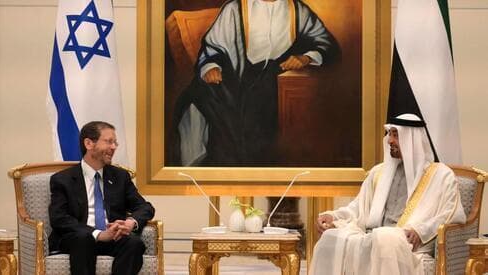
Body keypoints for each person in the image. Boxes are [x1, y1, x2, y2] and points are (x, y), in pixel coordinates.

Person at [172, 0, 338, 166]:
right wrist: (211, 66)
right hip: (234, 75)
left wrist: (306, 57)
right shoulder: (234, 9)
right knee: (200, 95)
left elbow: (325, 42)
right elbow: (213, 48)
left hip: (273, 77)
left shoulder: (296, 9)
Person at [309, 113, 466, 275]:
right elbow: (358, 207)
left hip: (407, 245)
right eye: (389, 134)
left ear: (412, 140)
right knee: (330, 239)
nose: (390, 140)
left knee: (384, 238)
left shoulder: (440, 175)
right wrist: (333, 216)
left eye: (396, 135)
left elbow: (451, 214)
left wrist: (421, 230)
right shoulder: (379, 172)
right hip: (372, 237)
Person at [48, 121, 155, 275]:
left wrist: (130, 222)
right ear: (89, 143)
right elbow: (59, 218)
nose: (114, 147)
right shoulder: (63, 179)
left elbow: (145, 207)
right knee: (84, 239)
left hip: (113, 236)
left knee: (134, 243)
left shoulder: (120, 177)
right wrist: (98, 234)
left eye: (115, 143)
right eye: (109, 142)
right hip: (79, 238)